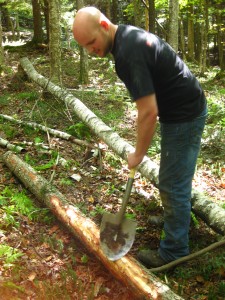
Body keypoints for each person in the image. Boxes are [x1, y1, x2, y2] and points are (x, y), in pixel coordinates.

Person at [72, 7, 207, 268]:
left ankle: (175, 250)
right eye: (84, 47)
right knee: (173, 178)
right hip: (180, 108)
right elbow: (148, 106)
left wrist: (138, 154)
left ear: (103, 24)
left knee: (172, 183)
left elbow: (148, 112)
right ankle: (176, 219)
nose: (90, 50)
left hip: (185, 113)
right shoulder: (125, 38)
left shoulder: (128, 52)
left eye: (91, 42)